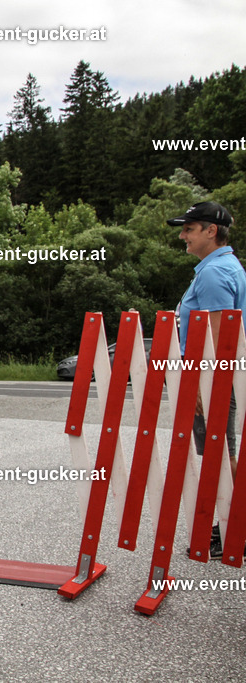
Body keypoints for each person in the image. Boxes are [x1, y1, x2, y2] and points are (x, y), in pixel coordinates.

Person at [169, 200, 244, 558]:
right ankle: (233, 523)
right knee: (219, 452)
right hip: (217, 378)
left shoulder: (214, 273)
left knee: (220, 453)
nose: (183, 235)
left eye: (189, 228)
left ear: (211, 231)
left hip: (213, 378)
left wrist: (201, 381)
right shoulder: (221, 267)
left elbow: (217, 338)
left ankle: (236, 529)